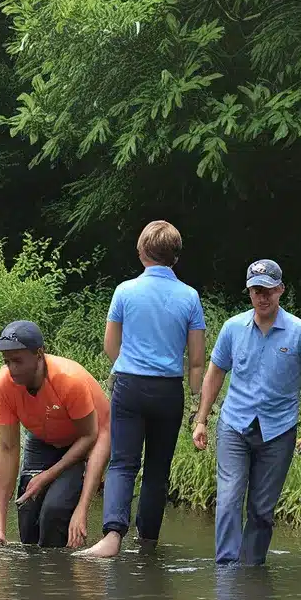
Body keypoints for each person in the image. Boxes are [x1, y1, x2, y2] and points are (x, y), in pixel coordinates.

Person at [192, 259, 301, 564]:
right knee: (229, 499)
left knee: (261, 510)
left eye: (269, 290)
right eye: (257, 290)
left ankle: (250, 570)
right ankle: (227, 570)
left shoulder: (300, 333)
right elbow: (215, 373)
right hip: (234, 424)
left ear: (280, 290)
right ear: (249, 292)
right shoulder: (233, 328)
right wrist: (201, 419)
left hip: (278, 431)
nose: (263, 296)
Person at [79, 220, 206, 558]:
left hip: (130, 387)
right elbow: (196, 361)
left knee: (122, 463)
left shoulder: (125, 291)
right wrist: (198, 406)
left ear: (141, 252)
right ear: (175, 257)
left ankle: (112, 538)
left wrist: (131, 367)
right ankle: (147, 542)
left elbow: (110, 346)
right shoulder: (190, 297)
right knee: (157, 470)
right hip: (168, 392)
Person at [0, 320, 111, 551]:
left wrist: (80, 507)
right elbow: (8, 448)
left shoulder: (69, 380)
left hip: (88, 438)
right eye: (7, 362)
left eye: (18, 361)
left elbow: (91, 436)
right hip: (43, 438)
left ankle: (60, 577)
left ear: (39, 354)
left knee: (54, 511)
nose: (12, 369)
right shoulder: (3, 385)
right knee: (28, 516)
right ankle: (36, 582)